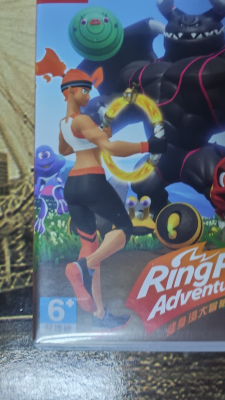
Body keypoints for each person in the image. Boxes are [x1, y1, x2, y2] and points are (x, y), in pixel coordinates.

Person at [58, 69, 166, 329]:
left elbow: (65, 149)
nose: (88, 95)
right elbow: (111, 149)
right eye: (84, 90)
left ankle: (99, 314)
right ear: (70, 91)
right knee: (125, 228)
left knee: (90, 244)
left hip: (72, 186)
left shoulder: (64, 123)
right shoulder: (82, 120)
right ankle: (83, 267)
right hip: (91, 182)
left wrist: (96, 136)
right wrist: (148, 146)